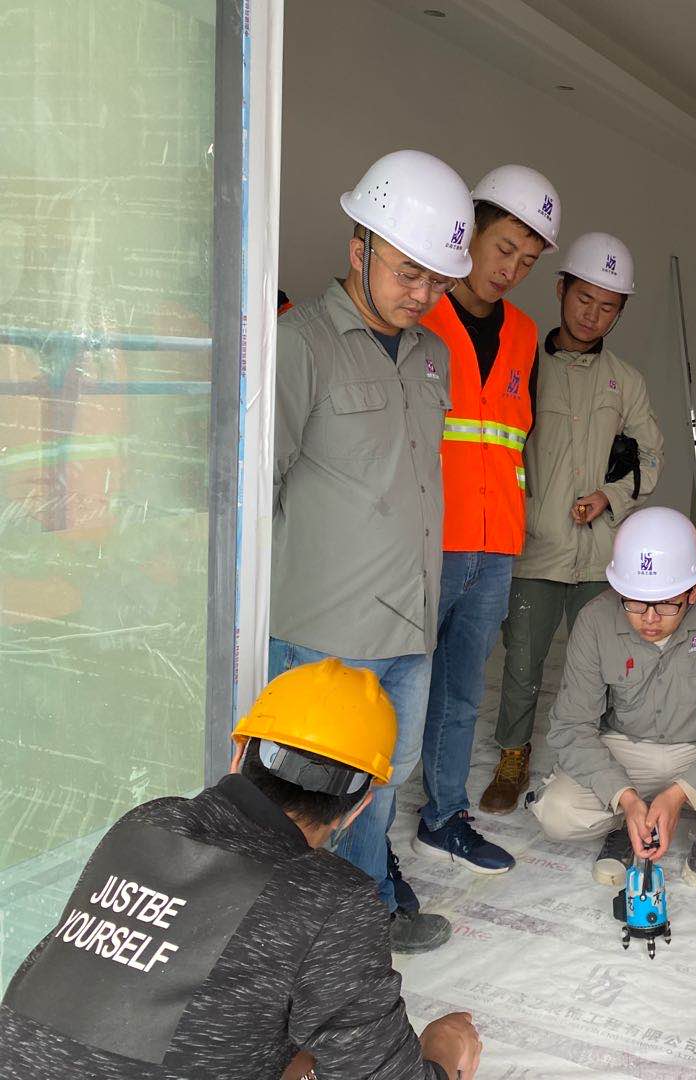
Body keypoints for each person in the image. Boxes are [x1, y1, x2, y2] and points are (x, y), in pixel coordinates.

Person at [0, 660, 481, 1079]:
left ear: (238, 753)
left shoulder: (149, 821)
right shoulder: (331, 900)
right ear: (356, 809)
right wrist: (441, 1049)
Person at [269, 149, 473, 953]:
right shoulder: (300, 344)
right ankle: (301, 943)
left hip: (408, 627)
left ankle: (365, 920)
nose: (423, 294)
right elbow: (255, 489)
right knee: (308, 799)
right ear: (358, 247)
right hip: (324, 632)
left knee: (380, 789)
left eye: (437, 280)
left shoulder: (433, 356)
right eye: (407, 272)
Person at [410, 164, 560, 875]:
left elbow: (511, 439)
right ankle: (359, 836)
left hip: (494, 545)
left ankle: (443, 816)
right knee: (393, 691)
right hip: (423, 542)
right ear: (468, 230)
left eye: (527, 261)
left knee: (462, 694)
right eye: (504, 249)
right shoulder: (418, 313)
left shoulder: (525, 334)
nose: (511, 270)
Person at [530, 506, 696, 914]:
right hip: (624, 749)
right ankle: (626, 823)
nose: (649, 619)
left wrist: (681, 793)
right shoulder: (595, 619)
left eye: (667, 604)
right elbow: (571, 726)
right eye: (635, 603)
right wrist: (625, 797)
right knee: (557, 812)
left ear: (694, 591)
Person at [489, 232, 664, 813]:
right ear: (561, 289)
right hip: (535, 546)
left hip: (601, 554)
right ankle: (513, 754)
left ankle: (602, 764)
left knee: (606, 667)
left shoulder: (626, 381)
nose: (592, 314)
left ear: (621, 311)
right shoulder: (523, 365)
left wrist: (609, 497)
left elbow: (650, 456)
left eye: (608, 306)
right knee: (522, 662)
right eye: (584, 298)